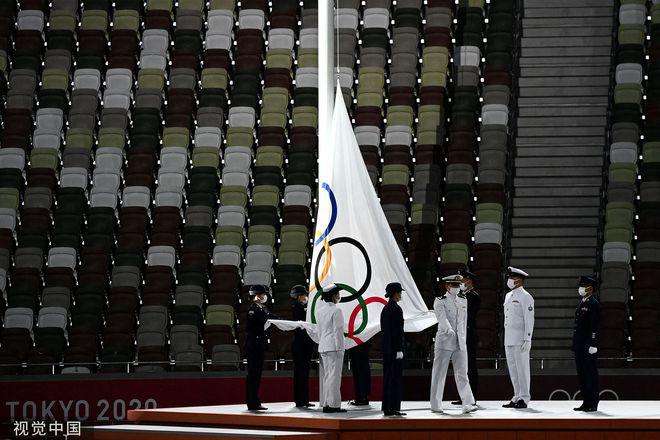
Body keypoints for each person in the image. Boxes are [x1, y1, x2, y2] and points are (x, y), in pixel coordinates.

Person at [429, 274, 478, 414]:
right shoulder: (440, 301)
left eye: (458, 285)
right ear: (447, 286)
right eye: (454, 285)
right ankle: (436, 404)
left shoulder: (463, 300)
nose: (457, 288)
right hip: (444, 341)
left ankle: (468, 402)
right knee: (439, 374)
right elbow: (441, 318)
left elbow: (464, 322)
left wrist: (463, 338)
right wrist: (448, 328)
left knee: (463, 373)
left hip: (460, 342)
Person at [502, 266, 534, 409]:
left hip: (520, 339)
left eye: (512, 278)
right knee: (513, 370)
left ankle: (525, 398)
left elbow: (529, 319)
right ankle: (516, 396)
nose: (509, 280)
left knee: (522, 369)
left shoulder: (526, 296)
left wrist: (528, 338)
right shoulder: (508, 296)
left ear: (519, 280)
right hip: (509, 337)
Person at [452, 269, 481, 406]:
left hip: (468, 334)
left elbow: (468, 316)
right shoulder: (461, 296)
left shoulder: (473, 296)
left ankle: (472, 396)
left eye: (463, 280)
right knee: (461, 367)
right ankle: (464, 396)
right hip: (461, 333)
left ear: (469, 281)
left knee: (470, 366)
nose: (461, 283)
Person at [572, 274, 600, 412]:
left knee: (590, 374)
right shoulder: (583, 302)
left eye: (583, 286)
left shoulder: (593, 304)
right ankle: (586, 401)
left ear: (590, 288)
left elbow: (594, 326)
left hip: (588, 345)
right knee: (582, 374)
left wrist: (593, 343)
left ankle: (593, 402)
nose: (580, 288)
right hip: (579, 345)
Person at [317, 284, 346, 413]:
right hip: (334, 347)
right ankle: (334, 405)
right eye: (337, 294)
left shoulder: (319, 311)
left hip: (323, 346)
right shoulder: (336, 310)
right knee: (334, 377)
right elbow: (338, 331)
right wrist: (340, 348)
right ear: (333, 296)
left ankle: (326, 403)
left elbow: (319, 331)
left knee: (327, 376)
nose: (339, 296)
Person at [245, 285, 275, 411]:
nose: (264, 296)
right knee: (253, 374)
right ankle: (252, 402)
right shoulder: (253, 309)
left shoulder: (263, 308)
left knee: (257, 375)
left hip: (260, 345)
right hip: (254, 345)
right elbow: (258, 323)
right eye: (262, 294)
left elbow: (271, 317)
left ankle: (255, 401)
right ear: (256, 295)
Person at [380, 282, 406, 417]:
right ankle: (393, 407)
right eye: (400, 292)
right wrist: (399, 349)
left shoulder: (385, 308)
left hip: (387, 349)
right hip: (394, 349)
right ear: (395, 293)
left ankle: (387, 407)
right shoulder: (396, 309)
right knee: (394, 379)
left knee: (387, 378)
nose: (401, 294)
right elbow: (397, 332)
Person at [290, 285, 315, 409]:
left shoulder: (304, 307)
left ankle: (304, 399)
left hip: (305, 344)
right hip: (300, 345)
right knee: (300, 373)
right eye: (304, 295)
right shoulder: (297, 307)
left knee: (304, 373)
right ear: (299, 296)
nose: (306, 297)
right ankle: (300, 400)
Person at [347, 340, 371, 406]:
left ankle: (363, 397)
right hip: (355, 348)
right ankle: (359, 398)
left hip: (361, 348)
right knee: (357, 374)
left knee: (362, 374)